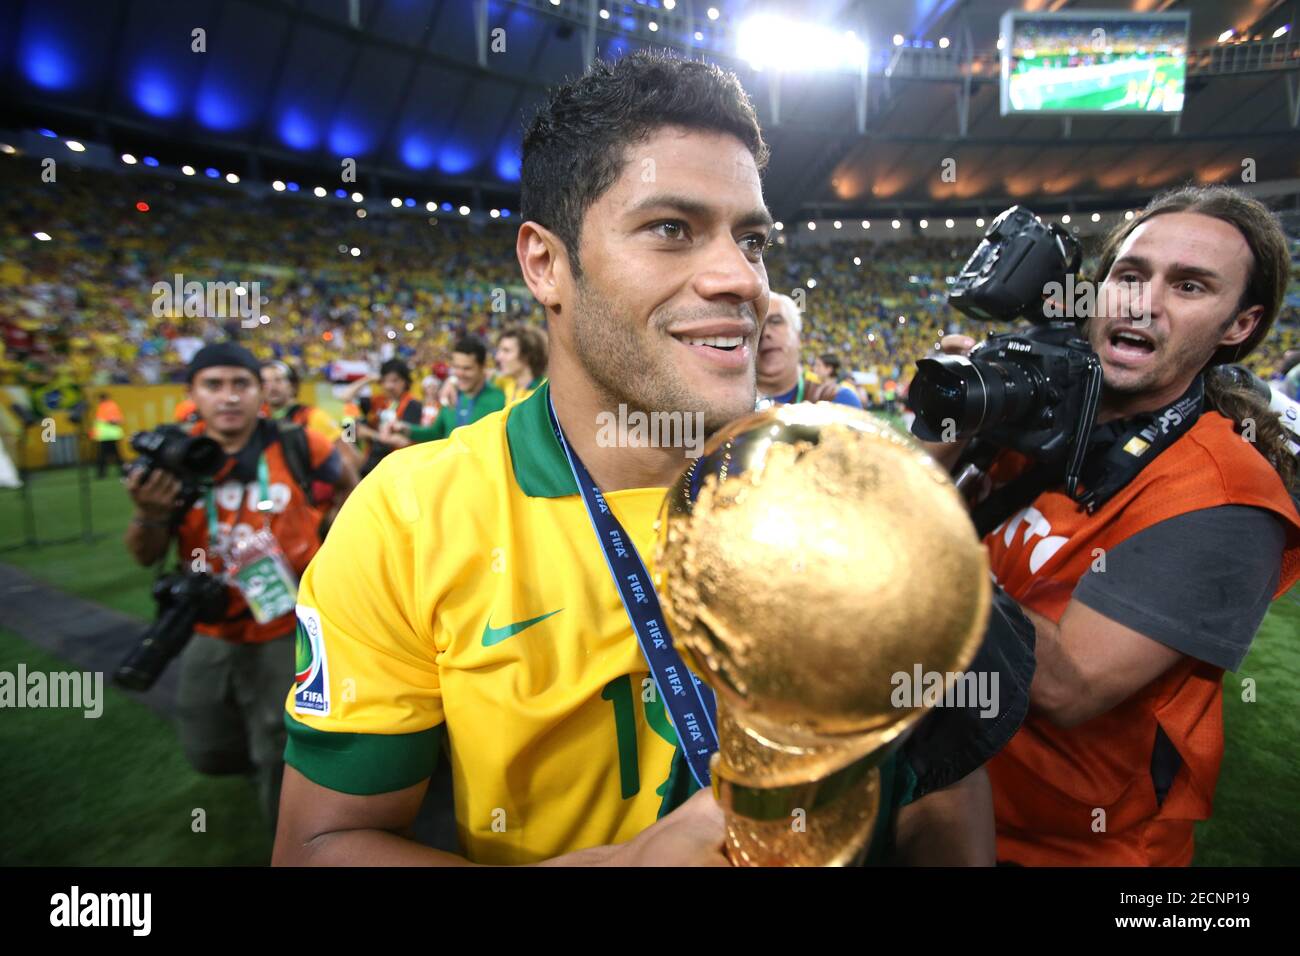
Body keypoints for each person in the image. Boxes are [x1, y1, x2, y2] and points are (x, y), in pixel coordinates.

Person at [274, 52, 1020, 868]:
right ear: (546, 264)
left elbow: (942, 792)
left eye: (754, 240)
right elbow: (323, 844)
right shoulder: (411, 517)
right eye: (672, 229)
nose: (742, 279)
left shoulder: (846, 487)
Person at [921, 185, 1300, 866]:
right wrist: (938, 445)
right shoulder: (1038, 406)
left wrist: (907, 525)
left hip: (1067, 849)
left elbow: (1068, 687)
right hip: (929, 795)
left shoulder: (1228, 493)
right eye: (1130, 275)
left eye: (1189, 286)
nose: (1143, 302)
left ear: (1239, 325)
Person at [124, 341, 358, 830]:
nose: (228, 397)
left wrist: (331, 534)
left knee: (280, 742)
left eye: (241, 384)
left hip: (285, 624)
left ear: (260, 393)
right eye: (214, 385)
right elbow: (145, 554)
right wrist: (149, 515)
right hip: (210, 626)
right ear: (192, 394)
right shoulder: (175, 457)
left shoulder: (298, 444)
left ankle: (291, 839)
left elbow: (350, 492)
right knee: (206, 748)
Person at [261, 360, 361, 506]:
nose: (271, 387)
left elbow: (352, 456)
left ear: (293, 385)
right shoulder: (259, 418)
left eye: (278, 380)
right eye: (265, 382)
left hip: (311, 505)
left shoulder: (314, 415)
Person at [386, 336, 505, 447]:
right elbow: (436, 433)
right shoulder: (450, 396)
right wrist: (406, 429)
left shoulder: (499, 400)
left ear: (483, 367)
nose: (459, 373)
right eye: (456, 367)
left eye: (467, 368)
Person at [757, 294, 863, 408]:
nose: (765, 332)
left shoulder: (839, 399)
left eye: (776, 321)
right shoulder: (736, 404)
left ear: (798, 336)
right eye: (757, 324)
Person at [338, 358, 423, 476]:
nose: (389, 386)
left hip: (398, 466)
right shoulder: (378, 401)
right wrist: (368, 379)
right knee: (348, 418)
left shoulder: (413, 404)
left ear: (405, 382)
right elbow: (345, 397)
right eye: (385, 381)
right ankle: (351, 455)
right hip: (373, 463)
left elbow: (405, 442)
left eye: (395, 381)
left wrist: (371, 434)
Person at [438, 325, 549, 409]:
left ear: (527, 355)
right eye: (499, 350)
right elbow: (477, 374)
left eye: (506, 351)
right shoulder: (504, 381)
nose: (498, 357)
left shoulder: (545, 391)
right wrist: (451, 382)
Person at [92, 391, 125, 479]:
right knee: (116, 455)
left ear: (102, 398)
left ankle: (101, 474)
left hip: (107, 435)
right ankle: (123, 471)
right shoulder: (111, 405)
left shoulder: (106, 406)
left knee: (103, 455)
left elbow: (111, 420)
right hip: (111, 434)